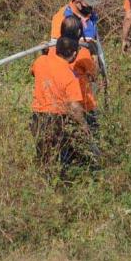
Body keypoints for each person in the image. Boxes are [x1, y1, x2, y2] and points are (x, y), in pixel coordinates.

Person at [30, 36, 91, 171]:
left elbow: (33, 72)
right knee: (60, 160)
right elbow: (74, 106)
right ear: (74, 54)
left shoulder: (40, 62)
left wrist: (42, 53)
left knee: (43, 158)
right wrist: (83, 125)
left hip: (37, 118)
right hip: (57, 120)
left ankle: (43, 184)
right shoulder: (70, 76)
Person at [60, 15, 99, 132]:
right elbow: (94, 75)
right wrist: (95, 55)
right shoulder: (83, 53)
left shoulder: (55, 51)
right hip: (84, 104)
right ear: (79, 32)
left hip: (63, 105)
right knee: (92, 137)